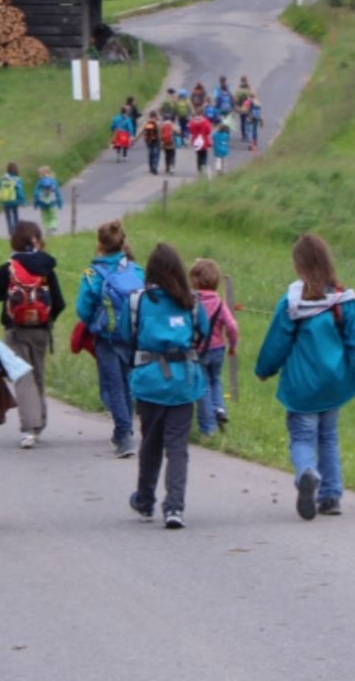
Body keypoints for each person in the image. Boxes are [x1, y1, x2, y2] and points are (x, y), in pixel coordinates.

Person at [254, 232, 355, 520]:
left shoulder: (292, 302)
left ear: (298, 265)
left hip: (302, 385)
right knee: (329, 436)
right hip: (333, 384)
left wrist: (265, 369)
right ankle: (331, 496)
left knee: (302, 437)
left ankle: (307, 474)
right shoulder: (343, 300)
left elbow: (277, 342)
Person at [127, 243, 210, 530]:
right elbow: (203, 334)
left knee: (150, 443)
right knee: (177, 447)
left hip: (150, 380)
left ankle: (145, 500)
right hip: (183, 382)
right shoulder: (191, 302)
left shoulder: (138, 301)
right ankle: (174, 506)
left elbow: (127, 336)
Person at [0, 220, 64, 448]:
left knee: (22, 376)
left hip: (15, 329)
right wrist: (47, 318)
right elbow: (59, 302)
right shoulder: (47, 268)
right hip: (41, 330)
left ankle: (29, 429)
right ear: (37, 240)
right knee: (38, 374)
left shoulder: (8, 267)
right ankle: (39, 424)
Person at [75, 220, 145, 457]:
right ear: (123, 243)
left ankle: (124, 435)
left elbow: (82, 308)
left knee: (113, 385)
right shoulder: (136, 270)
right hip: (131, 335)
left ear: (100, 245)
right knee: (126, 381)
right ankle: (123, 430)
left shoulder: (92, 273)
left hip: (106, 337)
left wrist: (93, 323)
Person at [188, 258, 239, 436]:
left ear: (194, 280)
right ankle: (219, 408)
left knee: (203, 386)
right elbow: (232, 326)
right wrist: (232, 345)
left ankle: (208, 427)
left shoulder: (192, 302)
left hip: (198, 351)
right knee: (215, 379)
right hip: (218, 349)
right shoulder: (219, 303)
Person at [0, 162, 25, 237]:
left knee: (8, 217)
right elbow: (19, 190)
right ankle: (17, 230)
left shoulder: (3, 178)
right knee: (15, 215)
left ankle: (11, 232)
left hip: (6, 200)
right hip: (14, 200)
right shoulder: (17, 179)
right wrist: (22, 200)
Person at [32, 165, 62, 233]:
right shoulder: (53, 182)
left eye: (40, 174)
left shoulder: (39, 183)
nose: (40, 176)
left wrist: (36, 204)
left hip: (43, 204)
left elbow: (36, 194)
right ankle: (53, 226)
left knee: (45, 217)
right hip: (52, 203)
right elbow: (58, 193)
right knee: (53, 216)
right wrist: (59, 203)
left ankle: (47, 228)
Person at [185, 112, 213, 177]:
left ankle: (199, 170)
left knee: (198, 156)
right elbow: (208, 131)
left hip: (196, 141)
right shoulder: (205, 121)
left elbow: (190, 130)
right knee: (204, 155)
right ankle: (203, 167)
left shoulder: (192, 122)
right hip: (204, 140)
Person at [140, 110, 163, 175]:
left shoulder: (147, 122)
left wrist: (134, 140)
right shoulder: (157, 122)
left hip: (149, 141)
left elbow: (141, 132)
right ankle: (154, 166)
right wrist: (161, 141)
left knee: (150, 153)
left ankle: (151, 167)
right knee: (156, 154)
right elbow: (159, 132)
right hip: (156, 140)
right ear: (155, 116)